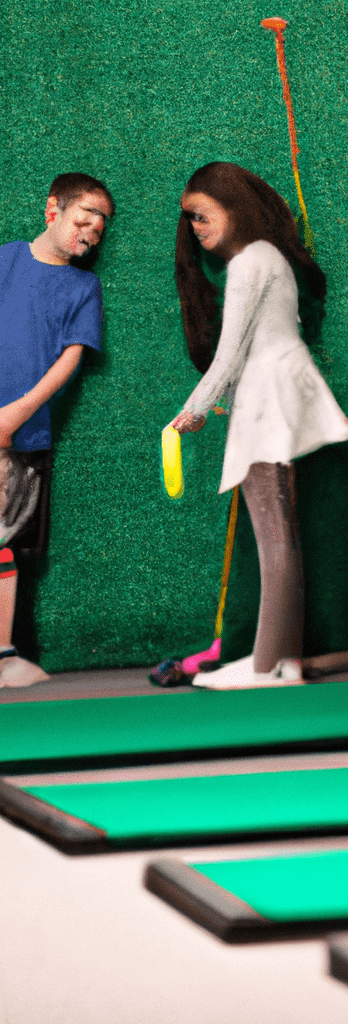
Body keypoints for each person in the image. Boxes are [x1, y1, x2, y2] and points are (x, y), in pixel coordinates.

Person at [172, 162, 348, 689]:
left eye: (203, 216)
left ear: (234, 209)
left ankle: (267, 666)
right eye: (191, 219)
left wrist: (197, 407)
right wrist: (220, 397)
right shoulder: (266, 258)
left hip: (268, 400)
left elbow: (231, 350)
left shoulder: (251, 261)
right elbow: (255, 342)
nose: (196, 228)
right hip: (271, 393)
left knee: (274, 537)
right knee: (282, 536)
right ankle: (282, 661)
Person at [0, 173, 114, 687]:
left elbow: (71, 360)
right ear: (53, 210)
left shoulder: (83, 286)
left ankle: (4, 655)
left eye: (100, 228)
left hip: (22, 440)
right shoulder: (5, 259)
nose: (90, 233)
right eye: (83, 219)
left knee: (4, 540)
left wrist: (17, 412)